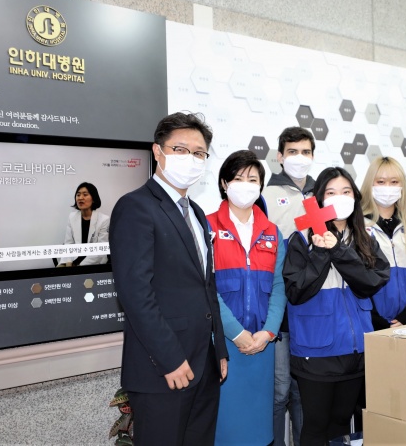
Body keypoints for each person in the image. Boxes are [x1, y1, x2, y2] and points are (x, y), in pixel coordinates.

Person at [109, 112, 228, 445]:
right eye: (180, 149)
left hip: (204, 364)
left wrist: (219, 349)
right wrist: (170, 359)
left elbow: (207, 285)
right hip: (163, 369)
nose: (191, 158)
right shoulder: (135, 207)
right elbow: (135, 294)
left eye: (199, 153)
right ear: (158, 151)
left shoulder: (197, 213)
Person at [283, 167, 389, 445]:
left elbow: (372, 282)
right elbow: (295, 292)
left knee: (342, 423)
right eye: (331, 193)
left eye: (346, 191)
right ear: (319, 199)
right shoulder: (301, 238)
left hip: (356, 351)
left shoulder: (365, 238)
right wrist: (320, 252)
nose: (339, 198)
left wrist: (339, 251)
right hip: (316, 351)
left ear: (355, 196)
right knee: (316, 425)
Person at [208, 150, 286, 445]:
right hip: (223, 345)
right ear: (224, 183)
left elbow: (278, 286)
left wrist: (268, 332)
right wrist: (237, 333)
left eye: (253, 179)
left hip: (262, 345)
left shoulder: (272, 232)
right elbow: (206, 287)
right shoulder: (207, 227)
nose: (246, 185)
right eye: (239, 178)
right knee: (226, 430)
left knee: (258, 431)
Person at [261, 126, 314, 446]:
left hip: (312, 306)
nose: (299, 158)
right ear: (280, 156)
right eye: (293, 152)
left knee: (303, 390)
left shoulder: (322, 194)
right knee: (280, 389)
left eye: (305, 152)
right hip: (280, 307)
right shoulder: (265, 196)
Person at [360, 156, 406, 329]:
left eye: (394, 182)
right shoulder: (358, 227)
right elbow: (355, 283)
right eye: (381, 181)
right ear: (370, 184)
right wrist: (377, 322)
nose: (388, 187)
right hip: (371, 325)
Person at [57, 182, 109, 266]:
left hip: (95, 263)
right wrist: (67, 262)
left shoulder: (104, 220)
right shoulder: (72, 217)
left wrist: (79, 267)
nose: (80, 198)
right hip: (74, 260)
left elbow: (101, 251)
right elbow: (68, 244)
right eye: (78, 195)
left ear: (93, 199)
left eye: (85, 195)